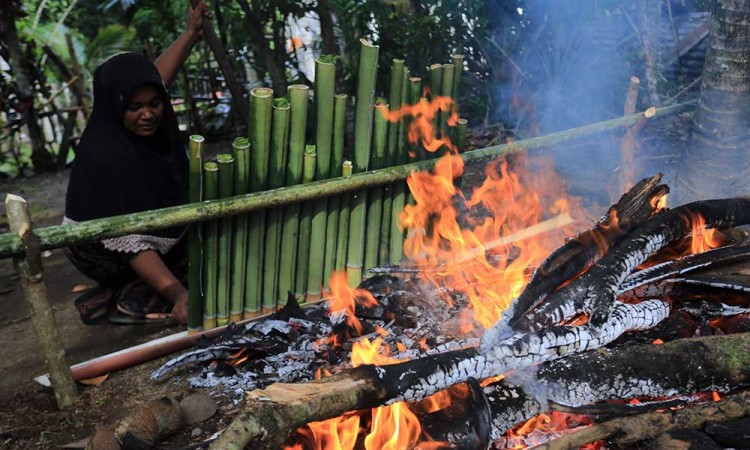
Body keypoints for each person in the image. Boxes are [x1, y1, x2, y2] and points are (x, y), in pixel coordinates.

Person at [63, 2, 210, 325]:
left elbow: (155, 77)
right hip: (101, 247)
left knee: (206, 241)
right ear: (116, 107)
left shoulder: (147, 113)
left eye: (155, 104)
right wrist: (178, 295)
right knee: (197, 269)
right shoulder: (107, 156)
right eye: (135, 107)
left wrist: (190, 33)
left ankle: (137, 288)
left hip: (139, 232)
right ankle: (131, 294)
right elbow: (131, 243)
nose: (148, 114)